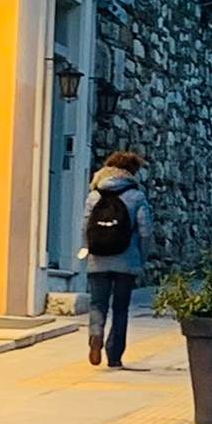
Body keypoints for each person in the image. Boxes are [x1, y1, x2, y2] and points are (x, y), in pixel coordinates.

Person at [79, 151, 156, 369]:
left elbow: (86, 227)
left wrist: (87, 249)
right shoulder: (136, 196)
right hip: (126, 260)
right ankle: (114, 356)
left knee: (97, 304)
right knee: (120, 309)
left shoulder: (94, 195)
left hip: (98, 258)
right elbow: (145, 231)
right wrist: (140, 257)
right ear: (131, 171)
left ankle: (95, 335)